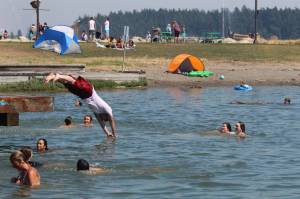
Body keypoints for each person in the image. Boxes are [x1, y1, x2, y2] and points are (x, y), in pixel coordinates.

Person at [44, 73, 117, 138]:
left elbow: (101, 124)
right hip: (89, 92)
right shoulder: (107, 109)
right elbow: (112, 121)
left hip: (83, 96)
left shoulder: (97, 112)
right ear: (106, 116)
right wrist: (114, 134)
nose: (102, 119)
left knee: (69, 86)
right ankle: (59, 75)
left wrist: (107, 133)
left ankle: (54, 76)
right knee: (74, 82)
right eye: (104, 118)